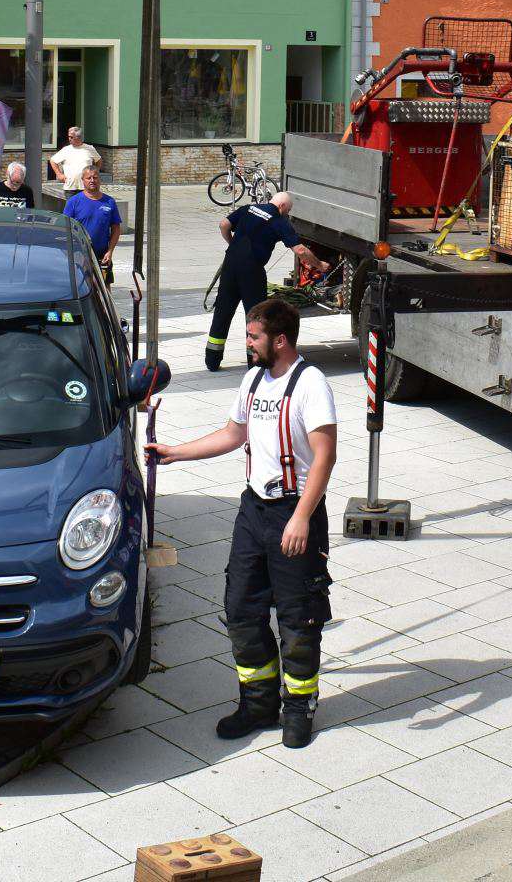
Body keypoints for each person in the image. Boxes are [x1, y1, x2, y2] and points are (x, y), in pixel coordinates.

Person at [148, 298, 336, 747]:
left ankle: (299, 706)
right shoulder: (253, 380)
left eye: (254, 337)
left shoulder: (311, 385)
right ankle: (258, 703)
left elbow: (325, 455)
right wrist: (175, 452)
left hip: (294, 512)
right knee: (241, 610)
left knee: (298, 618)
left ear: (280, 340)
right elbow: (233, 435)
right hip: (254, 511)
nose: (248, 345)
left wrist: (301, 518)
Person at [207, 192, 317, 372]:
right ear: (282, 207)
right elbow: (300, 250)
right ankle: (255, 363)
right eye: (287, 211)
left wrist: (232, 244)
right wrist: (320, 264)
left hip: (230, 266)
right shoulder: (278, 220)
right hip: (252, 271)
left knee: (222, 311)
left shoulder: (248, 208)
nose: (287, 214)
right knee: (255, 316)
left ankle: (212, 360)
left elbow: (224, 224)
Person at [62, 165, 122, 287]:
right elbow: (65, 228)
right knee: (83, 288)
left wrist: (110, 251)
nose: (92, 180)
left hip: (102, 255)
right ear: (83, 180)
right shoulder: (73, 202)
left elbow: (116, 228)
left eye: (95, 177)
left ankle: (104, 307)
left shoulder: (109, 202)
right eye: (88, 178)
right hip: (80, 254)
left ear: (99, 179)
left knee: (105, 288)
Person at [48, 126, 101, 199]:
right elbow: (53, 160)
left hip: (86, 187)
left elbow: (98, 160)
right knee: (71, 209)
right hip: (70, 188)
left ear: (78, 137)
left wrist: (95, 172)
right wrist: (59, 174)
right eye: (69, 137)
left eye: (71, 137)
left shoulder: (89, 149)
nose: (69, 139)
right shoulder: (66, 150)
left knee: (85, 209)